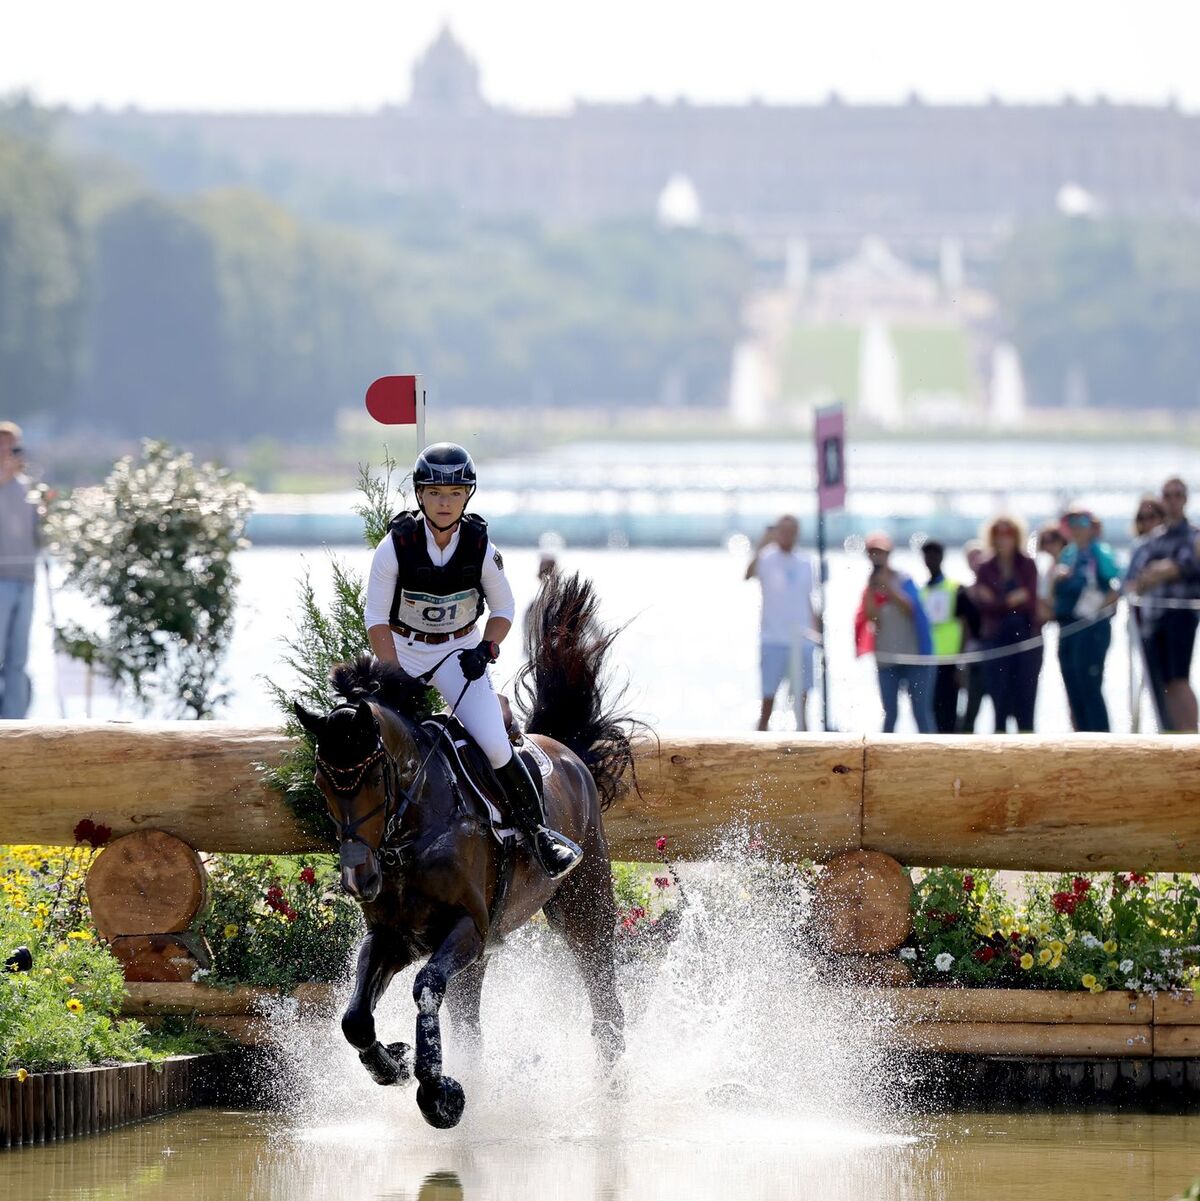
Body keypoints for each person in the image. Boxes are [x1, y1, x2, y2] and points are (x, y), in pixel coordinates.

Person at [363, 443, 582, 878]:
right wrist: (393, 677)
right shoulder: (394, 547)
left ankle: (539, 834)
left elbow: (503, 609)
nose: (445, 503)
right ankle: (359, 846)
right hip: (401, 651)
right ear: (420, 495)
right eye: (435, 493)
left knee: (496, 745)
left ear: (467, 496)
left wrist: (486, 648)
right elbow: (375, 619)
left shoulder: (481, 547)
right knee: (372, 742)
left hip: (457, 653)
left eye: (455, 494)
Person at [1127, 477, 1200, 733]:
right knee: (1166, 682)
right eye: (1168, 495)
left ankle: (1192, 734)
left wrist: (1158, 572)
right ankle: (1176, 736)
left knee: (1179, 678)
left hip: (1181, 616)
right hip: (1154, 618)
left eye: (1178, 494)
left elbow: (1184, 566)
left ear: (1185, 498)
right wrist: (1160, 572)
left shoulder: (1194, 535)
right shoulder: (1154, 539)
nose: (1172, 500)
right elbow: (1137, 578)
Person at [745, 515, 819, 731]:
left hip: (802, 641)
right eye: (782, 530)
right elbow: (748, 574)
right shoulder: (766, 557)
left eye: (791, 531)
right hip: (773, 640)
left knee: (802, 703)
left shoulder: (805, 561)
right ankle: (759, 743)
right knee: (768, 702)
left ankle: (804, 743)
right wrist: (763, 542)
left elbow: (807, 598)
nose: (787, 535)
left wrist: (816, 630)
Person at [1052, 509, 1120, 732]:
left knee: (1089, 685)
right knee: (1072, 684)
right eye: (1071, 522)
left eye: (1082, 522)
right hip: (1067, 627)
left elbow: (1116, 584)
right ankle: (1081, 737)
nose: (1076, 527)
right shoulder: (1067, 555)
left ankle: (1101, 739)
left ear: (1092, 526)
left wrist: (1097, 611)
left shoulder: (1101, 552)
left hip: (1092, 629)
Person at [860, 531, 935, 734]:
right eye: (872, 553)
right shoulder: (870, 587)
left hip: (914, 657)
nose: (877, 557)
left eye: (880, 553)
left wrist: (889, 588)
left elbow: (911, 609)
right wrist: (873, 589)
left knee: (921, 713)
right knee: (890, 713)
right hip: (886, 658)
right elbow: (872, 618)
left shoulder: (904, 579)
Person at [973, 515, 1041, 733]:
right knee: (999, 703)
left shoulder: (1027, 563)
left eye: (1008, 533)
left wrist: (998, 600)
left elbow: (1030, 602)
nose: (1003, 538)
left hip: (1026, 639)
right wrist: (1010, 600)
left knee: (1025, 703)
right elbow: (984, 606)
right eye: (998, 533)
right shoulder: (985, 567)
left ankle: (1028, 747)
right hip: (996, 640)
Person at [0, 422, 39, 719]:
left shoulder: (29, 489)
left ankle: (14, 723)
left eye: (13, 447)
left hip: (26, 579)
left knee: (18, 658)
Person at [920, 540, 968, 734]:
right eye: (927, 555)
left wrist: (961, 660)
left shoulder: (955, 588)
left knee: (949, 712)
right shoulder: (922, 591)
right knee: (929, 711)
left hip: (950, 660)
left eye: (934, 555)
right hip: (928, 659)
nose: (930, 560)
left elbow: (965, 625)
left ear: (941, 558)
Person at [957, 539, 988, 733]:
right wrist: (960, 661)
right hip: (974, 655)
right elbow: (964, 628)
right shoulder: (964, 592)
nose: (975, 561)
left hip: (997, 651)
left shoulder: (996, 587)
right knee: (971, 706)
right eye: (971, 558)